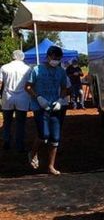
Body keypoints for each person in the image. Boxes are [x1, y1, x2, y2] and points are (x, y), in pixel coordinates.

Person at [25, 46, 69, 175]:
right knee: (44, 135)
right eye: (54, 58)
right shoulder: (37, 70)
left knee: (55, 137)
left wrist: (61, 100)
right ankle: (33, 152)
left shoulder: (61, 71)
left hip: (54, 106)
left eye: (58, 59)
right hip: (39, 106)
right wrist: (38, 97)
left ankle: (51, 166)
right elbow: (27, 86)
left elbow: (64, 88)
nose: (56, 61)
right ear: (48, 57)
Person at [0, 50, 32, 152]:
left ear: (13, 56)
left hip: (7, 97)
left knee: (7, 121)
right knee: (21, 122)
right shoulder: (28, 69)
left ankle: (6, 141)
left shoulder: (4, 67)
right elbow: (30, 84)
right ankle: (19, 144)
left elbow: (0, 83)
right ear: (22, 57)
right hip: (23, 97)